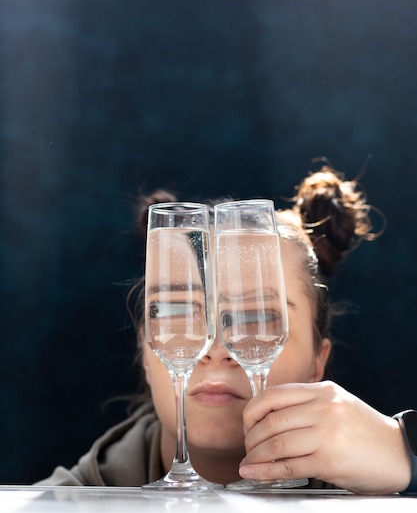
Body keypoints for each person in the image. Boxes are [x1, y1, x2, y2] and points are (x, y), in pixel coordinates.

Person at [35, 165, 414, 494]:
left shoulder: (381, 489)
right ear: (146, 352)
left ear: (319, 362)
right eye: (179, 312)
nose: (215, 347)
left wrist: (407, 456)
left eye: (257, 317)